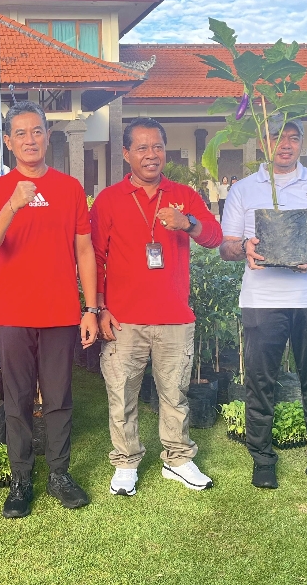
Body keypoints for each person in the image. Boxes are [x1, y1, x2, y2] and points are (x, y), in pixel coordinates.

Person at [0, 100, 99, 518]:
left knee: (60, 397)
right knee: (18, 398)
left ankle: (59, 474)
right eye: (21, 133)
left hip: (60, 312)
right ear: (8, 142)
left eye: (37, 131)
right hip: (14, 313)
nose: (30, 140)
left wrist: (90, 308)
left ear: (48, 135)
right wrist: (13, 204)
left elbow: (84, 250)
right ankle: (21, 479)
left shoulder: (70, 188)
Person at [91, 118, 223, 496]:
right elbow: (95, 257)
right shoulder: (109, 199)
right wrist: (99, 307)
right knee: (122, 395)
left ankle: (177, 460)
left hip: (174, 317)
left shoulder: (183, 195)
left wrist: (187, 222)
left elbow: (214, 237)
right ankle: (126, 462)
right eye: (142, 148)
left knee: (175, 394)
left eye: (158, 147)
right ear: (126, 153)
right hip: (123, 319)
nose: (151, 155)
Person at [219, 118, 307, 491]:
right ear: (264, 144)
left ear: (302, 144)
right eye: (278, 139)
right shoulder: (244, 189)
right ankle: (262, 460)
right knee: (260, 381)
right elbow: (226, 246)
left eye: (293, 138)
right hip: (263, 299)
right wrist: (243, 247)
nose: (286, 145)